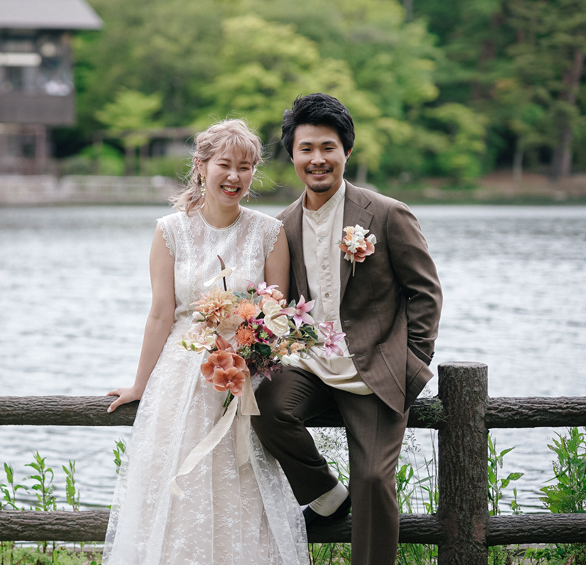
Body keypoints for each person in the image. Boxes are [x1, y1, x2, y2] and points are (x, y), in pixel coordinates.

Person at [104, 119, 309, 565]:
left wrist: (252, 348)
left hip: (244, 376)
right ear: (200, 166)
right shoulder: (169, 231)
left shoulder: (269, 233)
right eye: (224, 165)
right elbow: (160, 313)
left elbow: (278, 315)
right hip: (181, 377)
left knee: (243, 487)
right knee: (178, 488)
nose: (234, 176)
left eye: (245, 167)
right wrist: (139, 385)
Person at [251, 93, 443, 565]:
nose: (317, 159)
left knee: (375, 480)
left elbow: (426, 293)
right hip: (310, 363)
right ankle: (326, 494)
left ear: (346, 152)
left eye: (328, 148)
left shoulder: (386, 214)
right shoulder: (282, 226)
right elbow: (278, 301)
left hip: (376, 369)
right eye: (306, 149)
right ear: (293, 156)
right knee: (258, 405)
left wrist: (413, 362)